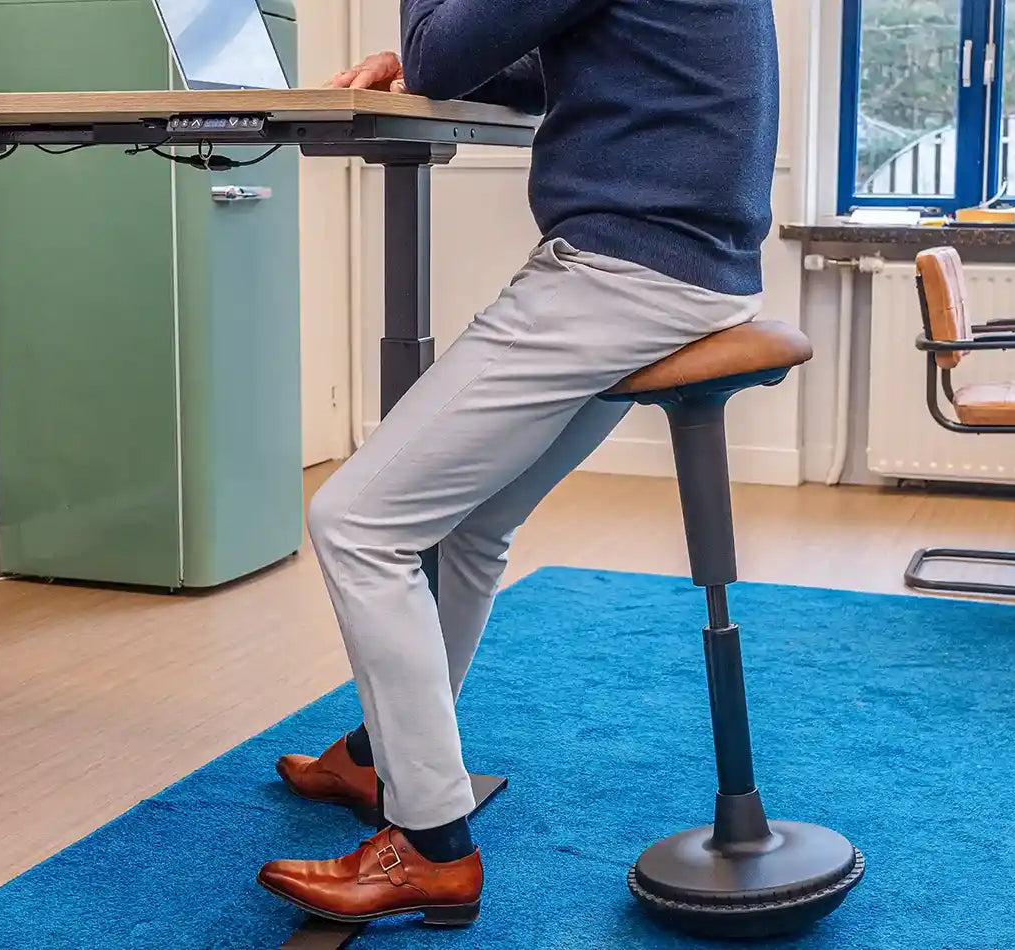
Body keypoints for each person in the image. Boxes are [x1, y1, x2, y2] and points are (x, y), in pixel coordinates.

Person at [255, 0, 779, 927]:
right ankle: (383, 756)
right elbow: (561, 63)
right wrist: (421, 61)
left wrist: (424, 55)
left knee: (356, 523)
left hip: (621, 276)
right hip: (694, 268)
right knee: (473, 521)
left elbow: (444, 50)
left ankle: (431, 845)